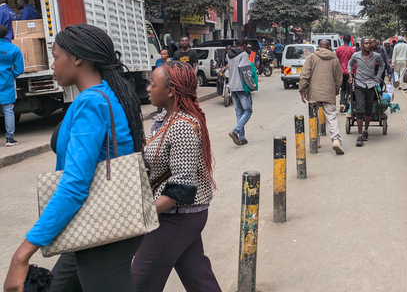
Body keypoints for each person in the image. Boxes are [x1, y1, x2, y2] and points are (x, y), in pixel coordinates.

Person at [4, 24, 145, 292]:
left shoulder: (92, 102)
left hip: (102, 231)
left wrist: (21, 255)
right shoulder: (105, 95)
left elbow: (75, 184)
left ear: (78, 58)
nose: (53, 65)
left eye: (56, 57)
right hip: (90, 224)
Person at [132, 62, 220, 291]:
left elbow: (182, 186)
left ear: (171, 91)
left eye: (153, 83)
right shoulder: (164, 119)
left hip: (177, 216)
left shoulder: (182, 125)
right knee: (198, 277)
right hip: (178, 214)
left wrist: (142, 213)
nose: (148, 88)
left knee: (139, 280)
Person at [299, 39, 344, 154]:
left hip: (314, 93)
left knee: (314, 118)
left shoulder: (312, 57)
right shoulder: (334, 59)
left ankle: (315, 140)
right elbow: (339, 79)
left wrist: (303, 90)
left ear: (319, 46)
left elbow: (305, 75)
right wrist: (335, 91)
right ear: (329, 47)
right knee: (331, 117)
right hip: (328, 92)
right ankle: (335, 140)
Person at [348, 38, 386, 147]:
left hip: (371, 85)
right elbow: (350, 64)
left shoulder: (376, 56)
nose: (368, 45)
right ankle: (359, 135)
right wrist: (350, 75)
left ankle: (365, 130)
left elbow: (382, 65)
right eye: (366, 43)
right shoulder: (356, 55)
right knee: (360, 109)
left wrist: (378, 77)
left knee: (368, 110)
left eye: (370, 43)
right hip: (359, 84)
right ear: (361, 45)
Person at [227, 39, 258, 145]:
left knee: (239, 112)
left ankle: (242, 137)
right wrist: (252, 85)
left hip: (232, 86)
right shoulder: (243, 54)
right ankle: (235, 131)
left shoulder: (229, 55)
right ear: (244, 45)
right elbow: (246, 72)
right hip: (241, 87)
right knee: (248, 111)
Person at [0, 26, 24, 146]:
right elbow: (20, 68)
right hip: (6, 81)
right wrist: (11, 75)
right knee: (8, 110)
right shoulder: (13, 48)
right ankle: (10, 139)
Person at [336, 34, 356, 113]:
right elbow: (354, 63)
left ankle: (342, 102)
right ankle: (346, 107)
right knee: (349, 89)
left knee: (342, 89)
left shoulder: (338, 50)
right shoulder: (352, 50)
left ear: (343, 40)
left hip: (340, 72)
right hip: (349, 72)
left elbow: (336, 61)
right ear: (350, 41)